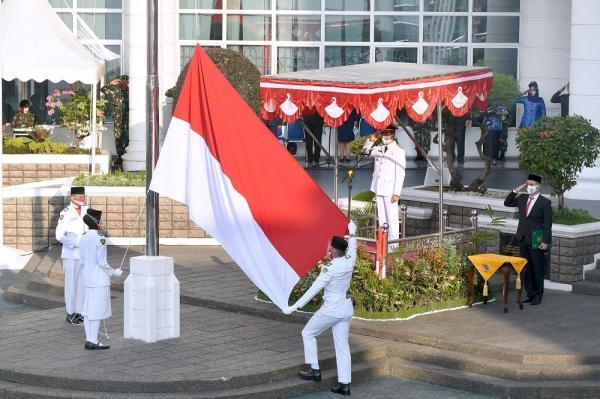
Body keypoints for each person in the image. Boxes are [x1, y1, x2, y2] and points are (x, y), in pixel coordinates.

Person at [283, 220, 357, 396]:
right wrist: (353, 232)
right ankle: (344, 385)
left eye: (329, 247)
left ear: (332, 251)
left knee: (308, 333)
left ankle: (315, 370)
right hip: (346, 309)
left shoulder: (329, 269)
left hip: (331, 309)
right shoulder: (350, 260)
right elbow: (353, 247)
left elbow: (312, 290)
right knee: (342, 346)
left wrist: (293, 307)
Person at [503, 174, 552, 306]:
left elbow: (548, 224)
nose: (529, 187)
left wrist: (546, 242)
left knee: (537, 268)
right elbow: (507, 203)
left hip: (537, 239)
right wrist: (515, 190)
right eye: (528, 184)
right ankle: (530, 294)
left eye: (532, 184)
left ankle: (538, 295)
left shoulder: (545, 202)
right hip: (523, 238)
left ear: (538, 186)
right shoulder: (523, 198)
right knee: (527, 268)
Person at [79, 209, 123, 350]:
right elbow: (102, 262)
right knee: (96, 311)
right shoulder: (100, 239)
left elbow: (82, 261)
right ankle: (93, 341)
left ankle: (89, 339)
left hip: (87, 279)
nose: (102, 223)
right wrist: (114, 273)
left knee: (87, 310)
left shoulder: (83, 238)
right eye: (100, 220)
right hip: (99, 281)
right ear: (97, 223)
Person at [361, 128, 406, 242]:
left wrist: (397, 193)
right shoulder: (378, 148)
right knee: (382, 219)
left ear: (393, 134)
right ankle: (383, 244)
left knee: (392, 219)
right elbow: (365, 152)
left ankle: (393, 246)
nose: (386, 136)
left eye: (388, 133)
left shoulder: (398, 150)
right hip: (378, 187)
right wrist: (371, 141)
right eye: (384, 133)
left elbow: (400, 173)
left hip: (390, 190)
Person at [55, 186, 88, 325]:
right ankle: (70, 313)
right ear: (72, 197)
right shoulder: (66, 213)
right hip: (70, 254)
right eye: (79, 197)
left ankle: (79, 312)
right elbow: (59, 235)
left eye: (83, 197)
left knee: (81, 284)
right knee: (71, 284)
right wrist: (75, 243)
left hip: (83, 254)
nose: (81, 199)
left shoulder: (87, 210)